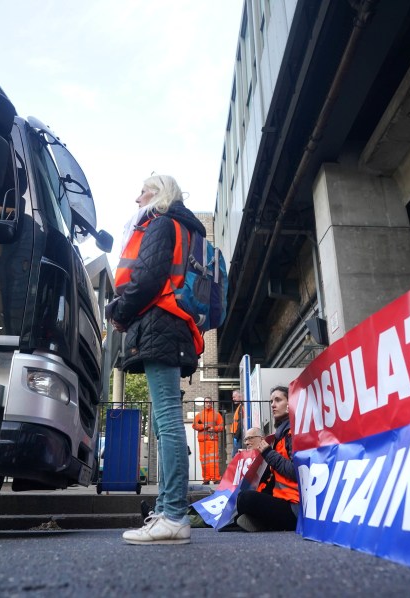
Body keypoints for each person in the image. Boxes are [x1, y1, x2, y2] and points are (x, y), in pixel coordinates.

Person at [106, 174, 206, 546]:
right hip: (174, 325)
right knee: (165, 422)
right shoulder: (184, 228)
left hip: (161, 323)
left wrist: (119, 310)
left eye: (143, 191)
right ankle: (166, 511)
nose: (137, 198)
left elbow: (148, 278)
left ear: (159, 194)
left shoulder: (161, 223)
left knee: (166, 418)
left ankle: (174, 515)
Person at [235, 385, 299, 532]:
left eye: (278, 400)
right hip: (283, 499)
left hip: (294, 507)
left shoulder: (292, 433)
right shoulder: (281, 433)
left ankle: (265, 523)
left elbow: (295, 472)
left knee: (246, 499)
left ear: (290, 404)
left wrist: (268, 453)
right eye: (271, 401)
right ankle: (262, 521)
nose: (273, 405)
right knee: (242, 498)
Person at [192, 398, 224, 484]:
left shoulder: (217, 415)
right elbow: (194, 425)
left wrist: (214, 428)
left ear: (212, 403)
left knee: (213, 460)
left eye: (210, 402)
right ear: (204, 403)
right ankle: (206, 479)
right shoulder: (199, 415)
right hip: (203, 441)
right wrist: (203, 426)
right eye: (206, 402)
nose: (208, 404)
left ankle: (216, 479)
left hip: (212, 439)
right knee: (204, 460)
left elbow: (221, 427)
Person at [229, 390, 244, 458]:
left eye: (234, 397)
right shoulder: (240, 406)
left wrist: (236, 437)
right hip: (238, 435)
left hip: (239, 436)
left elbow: (240, 423)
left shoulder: (241, 407)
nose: (233, 399)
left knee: (235, 456)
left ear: (240, 396)